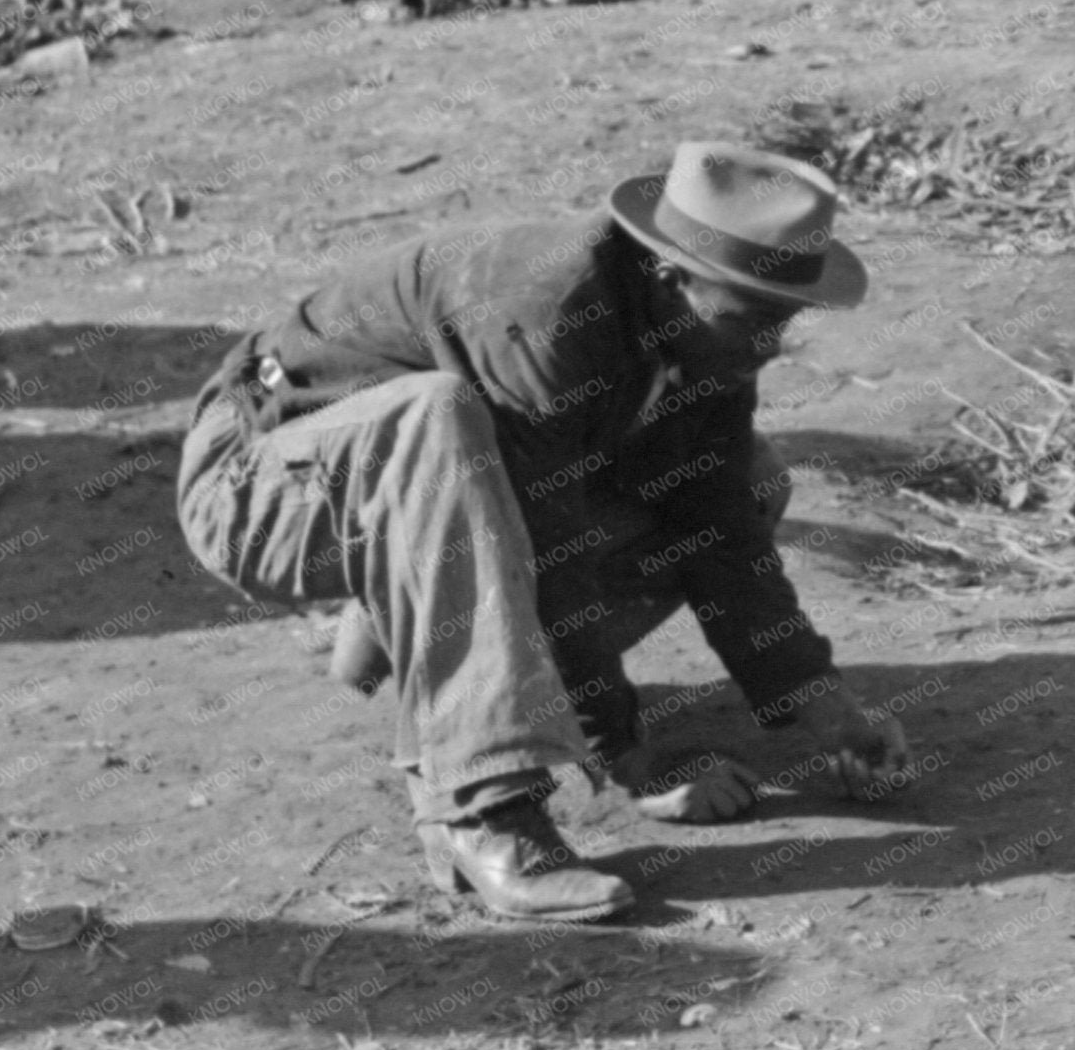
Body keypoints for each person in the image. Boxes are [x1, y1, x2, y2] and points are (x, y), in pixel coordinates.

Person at [176, 144, 917, 923]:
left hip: (409, 488)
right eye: (753, 316)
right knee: (442, 417)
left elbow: (716, 514)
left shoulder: (701, 325)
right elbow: (552, 553)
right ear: (670, 274)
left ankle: (430, 642)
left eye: (784, 317)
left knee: (752, 478)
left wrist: (816, 698)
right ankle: (484, 813)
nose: (767, 344)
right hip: (257, 485)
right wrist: (629, 754)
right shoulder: (549, 312)